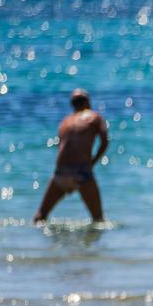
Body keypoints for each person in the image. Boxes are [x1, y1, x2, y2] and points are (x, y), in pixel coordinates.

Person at [33, 89, 109, 224]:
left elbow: (61, 146)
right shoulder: (94, 117)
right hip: (82, 172)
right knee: (98, 220)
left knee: (41, 216)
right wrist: (93, 162)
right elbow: (105, 142)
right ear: (87, 102)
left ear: (73, 104)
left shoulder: (65, 122)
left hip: (60, 172)